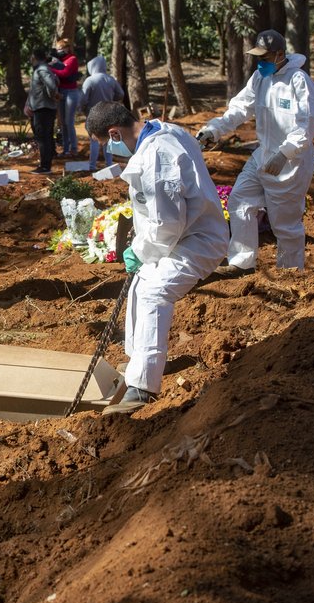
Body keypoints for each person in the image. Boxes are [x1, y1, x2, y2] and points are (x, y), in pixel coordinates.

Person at [85, 101, 229, 415]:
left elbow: (167, 225)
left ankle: (142, 388)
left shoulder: (156, 159)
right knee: (140, 285)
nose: (110, 151)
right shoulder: (161, 130)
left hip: (197, 240)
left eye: (105, 144)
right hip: (184, 234)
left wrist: (138, 251)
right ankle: (139, 362)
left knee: (154, 292)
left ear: (114, 133)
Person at [197, 29, 314, 276]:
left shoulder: (299, 82)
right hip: (264, 155)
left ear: (280, 54)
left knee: (284, 225)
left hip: (291, 163)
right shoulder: (259, 79)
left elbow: (306, 125)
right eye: (258, 58)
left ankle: (290, 273)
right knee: (239, 201)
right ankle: (242, 263)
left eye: (265, 58)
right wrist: (214, 129)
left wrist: (285, 153)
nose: (260, 63)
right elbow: (240, 108)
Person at [80, 55, 125, 171]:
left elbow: (83, 100)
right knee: (108, 140)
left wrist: (85, 111)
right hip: (108, 114)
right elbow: (121, 94)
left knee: (94, 141)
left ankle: (92, 166)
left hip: (93, 114)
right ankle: (109, 165)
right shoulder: (110, 79)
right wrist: (111, 101)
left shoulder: (89, 80)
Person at [27, 47, 59, 175]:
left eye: (31, 57)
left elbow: (51, 85)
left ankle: (45, 166)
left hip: (43, 108)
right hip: (42, 107)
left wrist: (53, 95)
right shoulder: (44, 69)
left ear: (34, 57)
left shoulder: (42, 70)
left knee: (43, 137)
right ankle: (46, 164)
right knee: (45, 136)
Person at [49, 39, 82, 157]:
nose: (59, 51)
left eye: (61, 49)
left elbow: (65, 73)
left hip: (71, 93)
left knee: (69, 122)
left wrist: (50, 68)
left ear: (67, 48)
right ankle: (65, 149)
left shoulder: (72, 59)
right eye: (57, 49)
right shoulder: (59, 61)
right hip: (61, 92)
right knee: (63, 123)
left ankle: (74, 148)